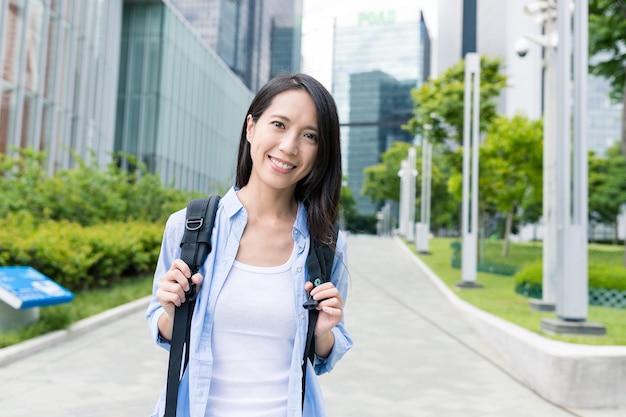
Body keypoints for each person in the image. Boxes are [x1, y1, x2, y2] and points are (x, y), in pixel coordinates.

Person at [146, 73, 352, 417]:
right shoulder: (188, 226)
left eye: (309, 135)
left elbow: (323, 357)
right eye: (279, 124)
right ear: (251, 127)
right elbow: (162, 329)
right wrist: (171, 310)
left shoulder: (326, 242)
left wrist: (323, 332)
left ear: (321, 151)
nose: (289, 146)